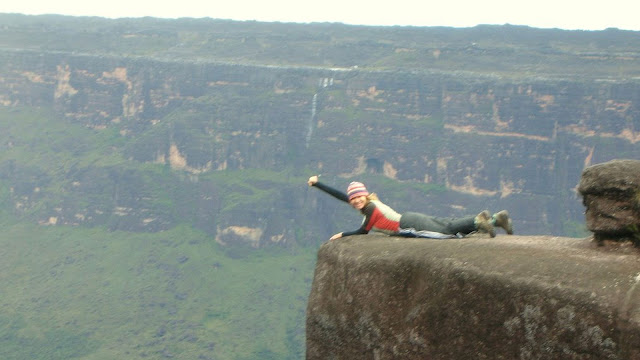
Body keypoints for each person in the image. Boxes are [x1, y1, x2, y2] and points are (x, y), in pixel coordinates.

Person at [307, 175, 513, 241]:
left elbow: (363, 231)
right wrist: (318, 184)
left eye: (358, 197)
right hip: (410, 218)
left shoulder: (370, 209)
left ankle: (479, 221)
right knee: (448, 225)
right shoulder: (368, 204)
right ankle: (496, 219)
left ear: (365, 195)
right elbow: (342, 196)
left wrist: (342, 235)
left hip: (408, 226)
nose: (355, 201)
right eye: (353, 200)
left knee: (447, 235)